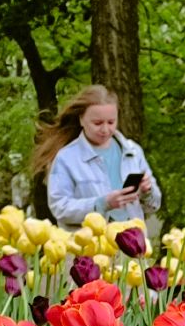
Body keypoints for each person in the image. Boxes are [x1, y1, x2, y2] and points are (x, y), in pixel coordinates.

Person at [34, 85, 161, 232]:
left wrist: (147, 190)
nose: (105, 129)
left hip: (131, 246)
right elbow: (60, 208)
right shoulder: (66, 158)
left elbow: (154, 205)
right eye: (98, 123)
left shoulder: (133, 152)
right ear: (81, 120)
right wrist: (102, 204)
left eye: (111, 122)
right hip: (90, 248)